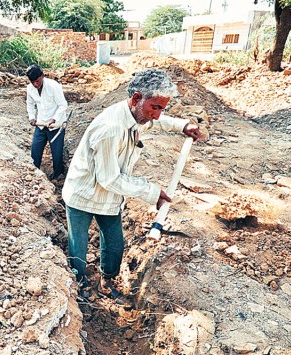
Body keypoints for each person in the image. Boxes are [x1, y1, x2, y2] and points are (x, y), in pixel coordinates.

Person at [62, 68, 202, 300]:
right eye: (155, 108)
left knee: (115, 245)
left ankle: (107, 280)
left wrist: (181, 126)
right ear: (137, 98)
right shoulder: (111, 128)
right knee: (78, 247)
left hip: (108, 198)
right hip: (82, 194)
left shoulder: (135, 114)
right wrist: (151, 192)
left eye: (161, 109)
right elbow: (109, 179)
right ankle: (79, 287)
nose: (157, 115)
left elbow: (154, 122)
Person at [26, 64, 68, 180]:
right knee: (35, 150)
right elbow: (30, 103)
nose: (35, 84)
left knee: (57, 153)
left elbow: (63, 105)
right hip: (41, 124)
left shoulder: (53, 86)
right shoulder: (30, 88)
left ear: (42, 76)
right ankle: (36, 175)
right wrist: (31, 117)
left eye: (37, 81)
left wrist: (54, 118)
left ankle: (58, 176)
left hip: (56, 125)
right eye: (32, 82)